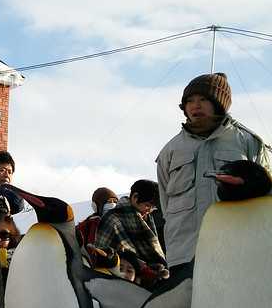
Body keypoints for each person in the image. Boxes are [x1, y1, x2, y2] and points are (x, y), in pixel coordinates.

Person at [156, 72, 272, 267]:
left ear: (218, 104)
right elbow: (165, 204)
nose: (195, 106)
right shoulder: (171, 150)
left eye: (204, 99)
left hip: (239, 248)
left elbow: (267, 195)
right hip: (185, 252)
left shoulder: (247, 141)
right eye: (190, 101)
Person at [94, 180, 168, 286]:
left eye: (153, 207)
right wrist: (141, 269)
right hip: (121, 280)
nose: (150, 210)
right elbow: (107, 253)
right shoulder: (112, 218)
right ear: (135, 197)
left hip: (150, 280)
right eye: (148, 205)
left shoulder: (147, 218)